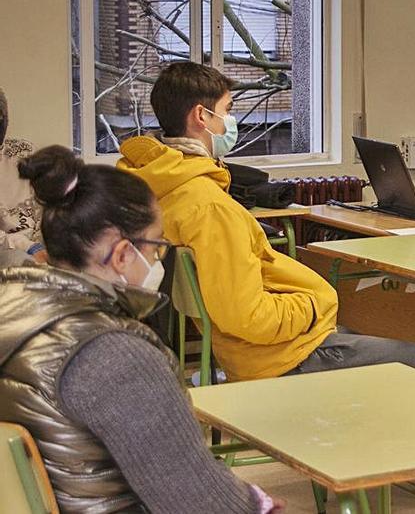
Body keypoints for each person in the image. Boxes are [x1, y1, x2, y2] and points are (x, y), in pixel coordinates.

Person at [116, 61, 415, 386]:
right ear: (201, 117)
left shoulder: (165, 188)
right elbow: (246, 317)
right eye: (226, 112)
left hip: (266, 350)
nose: (229, 123)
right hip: (279, 358)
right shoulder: (208, 206)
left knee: (362, 330)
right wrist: (315, 305)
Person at [0, 145, 281, 513]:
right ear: (121, 254)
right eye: (156, 248)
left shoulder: (15, 314)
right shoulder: (114, 356)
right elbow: (199, 503)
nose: (158, 259)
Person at [0, 87, 46, 267]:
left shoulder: (24, 152)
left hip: (40, 239)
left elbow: (47, 200)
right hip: (9, 247)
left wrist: (47, 241)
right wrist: (28, 247)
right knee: (22, 263)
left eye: (2, 116)